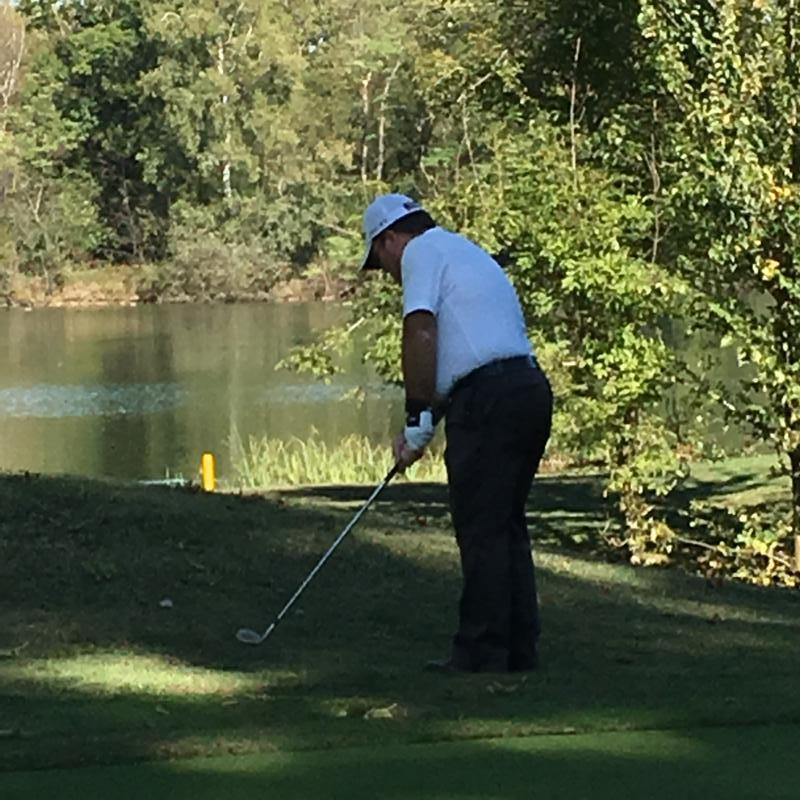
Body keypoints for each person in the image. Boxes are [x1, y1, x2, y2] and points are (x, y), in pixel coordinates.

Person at [360, 193, 553, 673]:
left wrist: (415, 416)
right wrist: (422, 428)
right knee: (505, 523)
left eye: (379, 260)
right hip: (527, 389)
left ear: (389, 239)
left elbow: (420, 331)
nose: (387, 273)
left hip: (489, 398)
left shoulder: (420, 252)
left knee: (481, 527)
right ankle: (518, 649)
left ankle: (482, 651)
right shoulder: (463, 250)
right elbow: (466, 352)